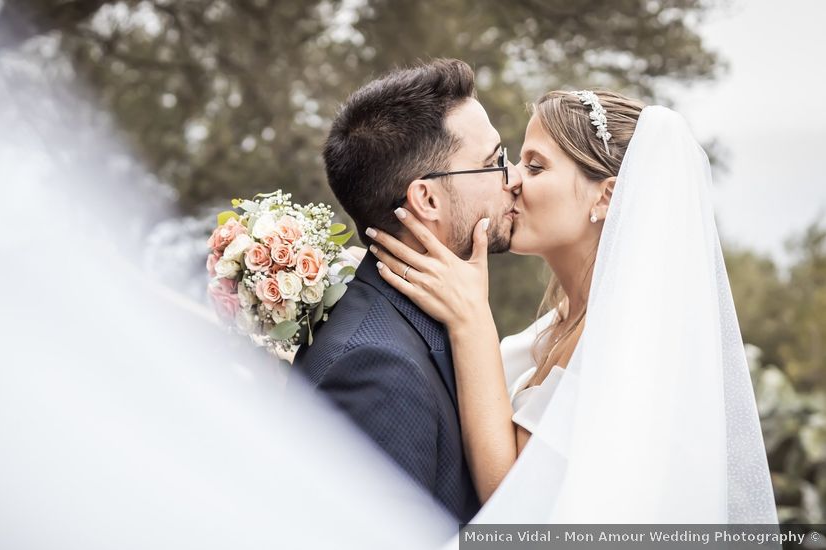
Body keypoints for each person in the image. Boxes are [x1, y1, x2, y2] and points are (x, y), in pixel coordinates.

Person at [368, 90, 778, 522]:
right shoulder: (563, 318)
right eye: (516, 160)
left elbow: (512, 496)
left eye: (536, 166)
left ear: (605, 198)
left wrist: (472, 320)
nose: (511, 180)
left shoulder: (622, 342)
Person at [292, 59, 521, 523]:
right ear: (427, 199)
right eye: (494, 161)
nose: (513, 177)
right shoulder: (375, 367)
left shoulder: (425, 322)